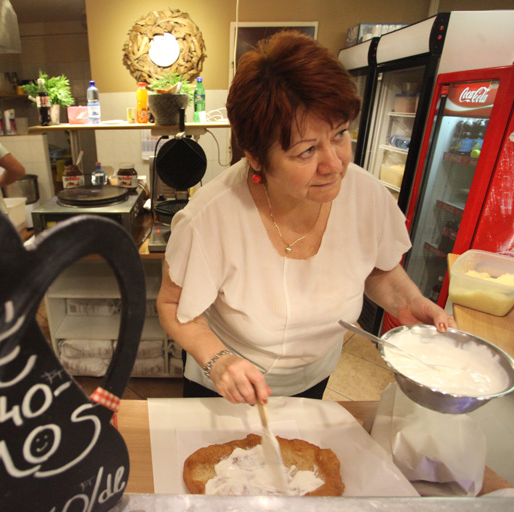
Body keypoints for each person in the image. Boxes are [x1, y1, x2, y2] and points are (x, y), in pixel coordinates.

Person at [156, 31, 456, 407]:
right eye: (306, 150)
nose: (334, 164)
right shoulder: (210, 219)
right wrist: (218, 360)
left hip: (315, 373)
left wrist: (408, 302)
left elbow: (377, 270)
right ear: (256, 157)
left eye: (341, 134)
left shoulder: (366, 196)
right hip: (226, 381)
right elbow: (172, 305)